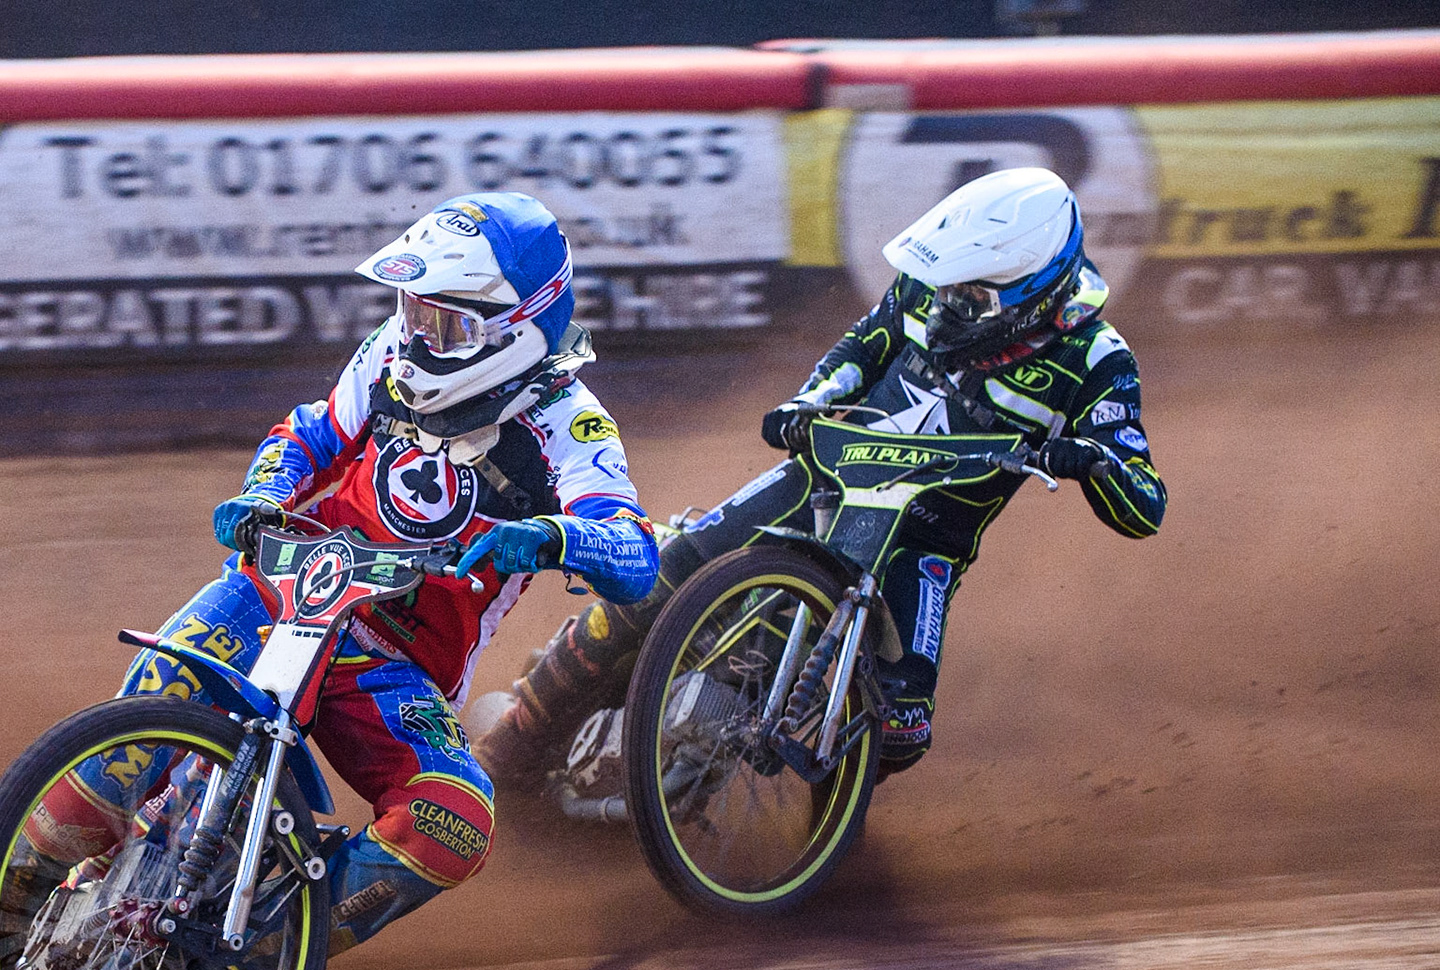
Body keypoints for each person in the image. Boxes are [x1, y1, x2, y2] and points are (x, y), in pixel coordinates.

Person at [0, 192, 659, 970]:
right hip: (282, 592)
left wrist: (553, 536)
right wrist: (263, 493)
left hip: (388, 666)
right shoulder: (388, 356)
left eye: (440, 323)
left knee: (456, 818)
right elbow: (306, 434)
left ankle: (243, 957)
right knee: (144, 717)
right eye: (409, 311)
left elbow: (634, 551)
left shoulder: (569, 421)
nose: (415, 338)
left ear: (513, 328)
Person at [475, 167, 1166, 787]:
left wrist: (1095, 461)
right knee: (653, 576)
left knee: (902, 731)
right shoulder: (925, 291)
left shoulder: (1099, 360)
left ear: (1035, 291)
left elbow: (1145, 503)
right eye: (946, 286)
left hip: (924, 539)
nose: (949, 305)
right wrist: (808, 404)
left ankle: (822, 840)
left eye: (973, 297)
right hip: (822, 479)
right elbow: (859, 350)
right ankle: (510, 746)